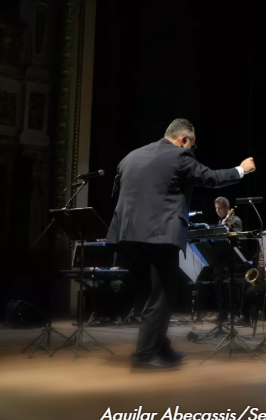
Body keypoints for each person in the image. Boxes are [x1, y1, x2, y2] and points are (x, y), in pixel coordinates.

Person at [106, 119, 254, 369]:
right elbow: (210, 178)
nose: (191, 150)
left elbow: (116, 193)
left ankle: (160, 347)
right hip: (160, 235)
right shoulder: (179, 156)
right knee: (163, 293)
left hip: (127, 235)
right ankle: (144, 356)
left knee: (148, 293)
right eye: (191, 145)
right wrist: (241, 169)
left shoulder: (130, 156)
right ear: (184, 139)